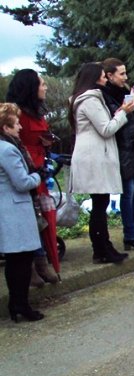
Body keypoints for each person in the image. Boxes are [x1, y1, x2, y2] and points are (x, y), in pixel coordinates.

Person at [69, 62, 134, 264]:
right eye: (103, 76)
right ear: (95, 78)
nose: (106, 79)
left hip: (93, 155)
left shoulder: (87, 98)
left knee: (100, 203)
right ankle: (102, 248)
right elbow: (106, 129)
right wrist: (124, 112)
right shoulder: (90, 100)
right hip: (94, 157)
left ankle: (102, 248)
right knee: (100, 204)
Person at [5, 68, 59, 286]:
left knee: (42, 216)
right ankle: (34, 264)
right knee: (32, 217)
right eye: (41, 83)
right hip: (25, 167)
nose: (45, 87)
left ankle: (41, 260)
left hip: (39, 166)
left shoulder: (36, 110)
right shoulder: (17, 114)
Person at [100, 58, 134, 252]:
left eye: (125, 73)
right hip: (122, 150)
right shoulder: (105, 95)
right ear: (110, 75)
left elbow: (133, 117)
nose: (125, 77)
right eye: (121, 74)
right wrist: (133, 100)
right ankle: (130, 235)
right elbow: (117, 118)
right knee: (128, 193)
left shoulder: (123, 92)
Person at [0, 103, 45, 321]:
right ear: (5, 128)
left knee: (14, 260)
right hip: (15, 209)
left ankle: (16, 304)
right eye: (16, 124)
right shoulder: (8, 150)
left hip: (7, 209)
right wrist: (38, 176)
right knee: (22, 260)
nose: (20, 127)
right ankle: (21, 305)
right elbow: (22, 182)